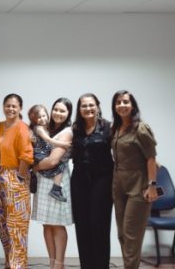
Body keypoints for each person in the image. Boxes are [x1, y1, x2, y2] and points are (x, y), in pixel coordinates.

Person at [111, 90, 159, 269]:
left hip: (138, 185)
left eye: (125, 102)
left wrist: (152, 186)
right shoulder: (115, 128)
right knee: (122, 234)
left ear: (132, 105)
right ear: (114, 107)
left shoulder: (141, 128)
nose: (122, 105)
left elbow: (151, 158)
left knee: (132, 235)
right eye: (118, 102)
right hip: (118, 185)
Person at [71, 93, 113, 269]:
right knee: (82, 226)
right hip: (79, 179)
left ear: (98, 106)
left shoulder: (109, 128)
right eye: (84, 106)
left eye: (91, 105)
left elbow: (127, 147)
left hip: (102, 180)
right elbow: (49, 131)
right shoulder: (74, 129)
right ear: (79, 110)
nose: (88, 108)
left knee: (99, 226)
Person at [30, 98, 74, 269]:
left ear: (68, 113)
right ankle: (52, 263)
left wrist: (33, 168)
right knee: (47, 224)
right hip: (43, 182)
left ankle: (59, 264)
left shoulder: (67, 132)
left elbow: (52, 161)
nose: (58, 113)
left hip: (57, 182)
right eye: (56, 109)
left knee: (57, 224)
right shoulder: (47, 129)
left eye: (63, 110)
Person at [0, 93, 34, 269]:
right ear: (3, 106)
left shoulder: (22, 128)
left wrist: (19, 177)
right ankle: (10, 263)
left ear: (20, 108)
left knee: (16, 226)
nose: (10, 109)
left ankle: (18, 265)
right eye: (7, 105)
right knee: (2, 225)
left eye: (14, 106)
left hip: (14, 177)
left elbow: (27, 156)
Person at [27, 104, 68, 202]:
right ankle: (56, 189)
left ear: (47, 115)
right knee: (61, 165)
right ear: (34, 120)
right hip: (40, 155)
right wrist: (63, 144)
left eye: (43, 116)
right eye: (38, 117)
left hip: (44, 153)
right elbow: (49, 140)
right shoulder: (39, 128)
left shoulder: (46, 127)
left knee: (59, 165)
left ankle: (55, 188)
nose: (42, 119)